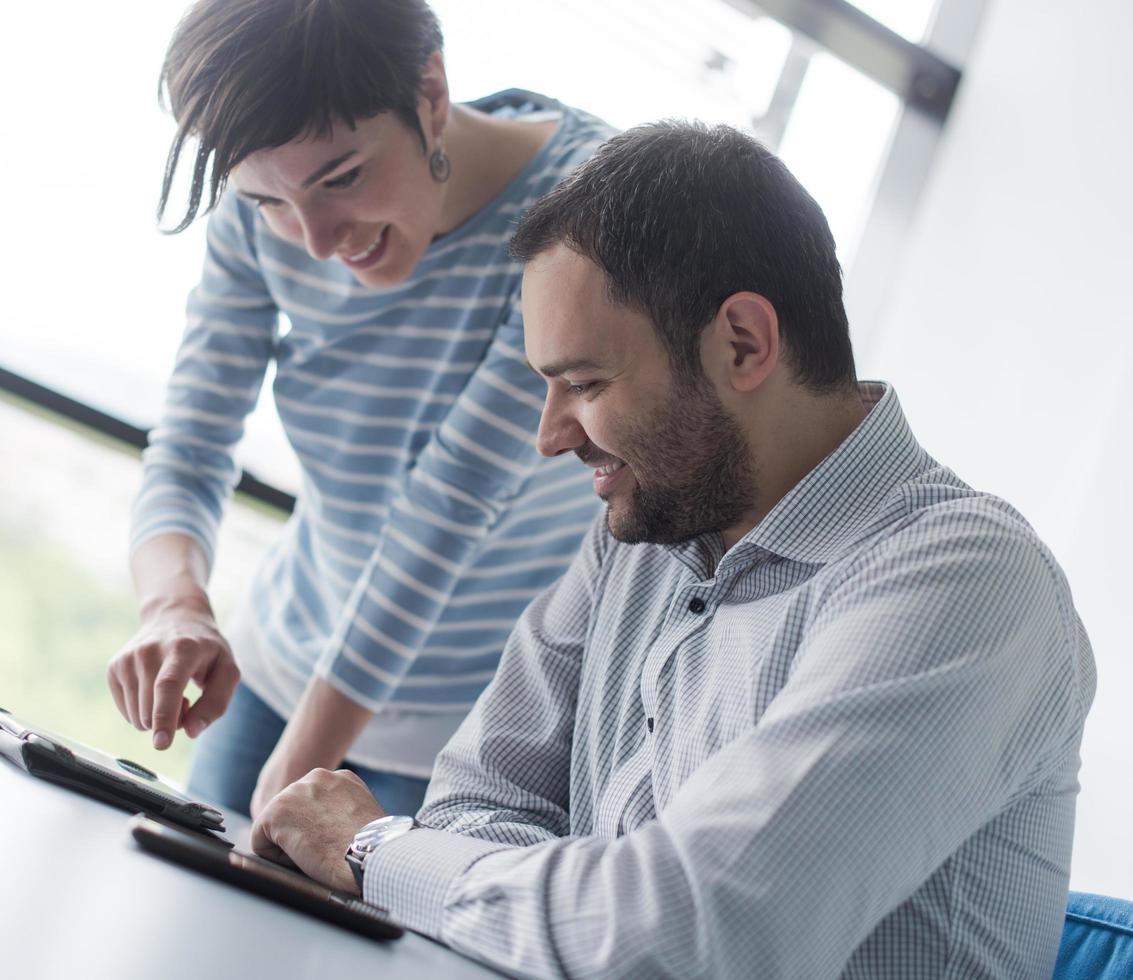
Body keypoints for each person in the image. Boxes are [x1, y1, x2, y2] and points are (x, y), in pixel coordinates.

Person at [249, 122, 1097, 978]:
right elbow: (475, 802)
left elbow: (679, 940)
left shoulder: (964, 584)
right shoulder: (644, 530)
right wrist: (587, 903)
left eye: (582, 384)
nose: (548, 437)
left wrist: (378, 851)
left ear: (742, 343)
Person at [106, 0, 613, 819]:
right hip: (281, 670)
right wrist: (172, 605)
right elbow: (193, 440)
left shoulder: (582, 212)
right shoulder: (263, 201)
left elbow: (447, 508)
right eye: (269, 201)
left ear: (431, 90)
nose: (314, 240)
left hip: (468, 738)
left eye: (340, 179)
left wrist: (295, 772)